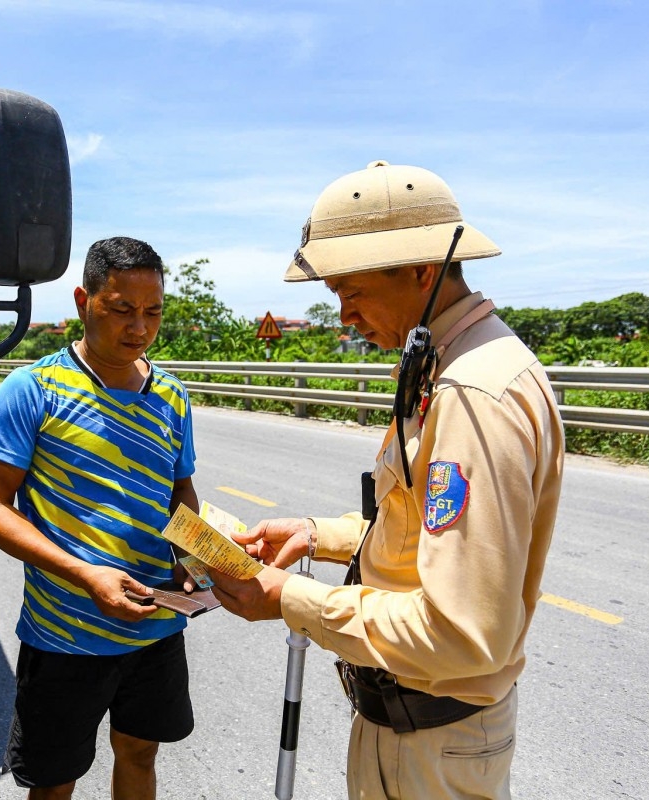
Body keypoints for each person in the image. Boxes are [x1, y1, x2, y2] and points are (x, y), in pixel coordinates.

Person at [208, 162, 565, 799]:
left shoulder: (472, 391)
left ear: (422, 270)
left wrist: (289, 598)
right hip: (411, 727)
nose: (344, 315)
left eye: (352, 291)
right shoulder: (446, 360)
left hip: (431, 742)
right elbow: (419, 523)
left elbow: (462, 636)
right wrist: (319, 535)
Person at [0, 236, 199, 800]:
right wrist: (85, 574)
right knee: (53, 781)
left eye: (153, 312)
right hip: (64, 632)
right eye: (122, 309)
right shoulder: (33, 390)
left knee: (140, 753)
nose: (139, 328)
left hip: (155, 623)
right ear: (83, 301)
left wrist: (194, 557)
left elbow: (179, 493)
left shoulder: (171, 395)